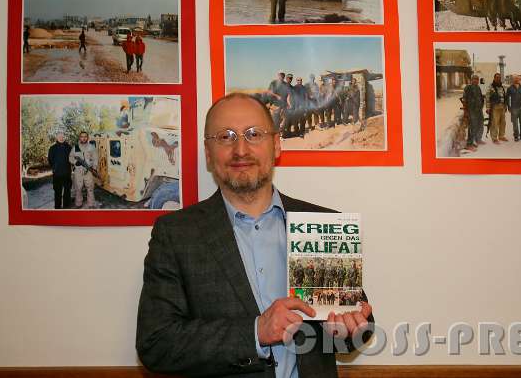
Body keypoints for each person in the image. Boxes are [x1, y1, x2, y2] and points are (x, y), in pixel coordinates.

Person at [136, 93, 373, 377]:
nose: (240, 149)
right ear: (208, 153)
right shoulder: (176, 234)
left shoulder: (321, 224)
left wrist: (347, 330)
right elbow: (156, 344)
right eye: (225, 137)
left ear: (275, 145)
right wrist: (255, 332)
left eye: (253, 134)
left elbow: (353, 329)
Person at [69, 131, 98, 208]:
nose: (84, 138)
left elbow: (95, 158)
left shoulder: (91, 147)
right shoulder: (75, 147)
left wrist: (94, 168)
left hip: (88, 171)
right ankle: (79, 203)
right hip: (78, 171)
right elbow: (70, 157)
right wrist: (75, 162)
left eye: (85, 136)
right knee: (78, 188)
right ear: (80, 138)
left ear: (87, 138)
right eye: (82, 136)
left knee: (90, 188)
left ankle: (91, 204)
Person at [47, 131, 72, 209]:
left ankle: (66, 207)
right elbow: (50, 160)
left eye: (62, 136)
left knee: (67, 191)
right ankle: (57, 208)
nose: (61, 138)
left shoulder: (69, 147)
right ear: (56, 137)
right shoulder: (52, 148)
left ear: (64, 137)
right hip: (57, 175)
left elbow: (73, 158)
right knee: (57, 192)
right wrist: (55, 168)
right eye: (59, 136)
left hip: (67, 174)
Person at [462, 74, 485, 151]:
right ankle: (469, 144)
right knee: (472, 126)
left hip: (478, 110)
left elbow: (481, 98)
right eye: (474, 79)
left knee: (480, 124)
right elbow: (464, 100)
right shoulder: (468, 88)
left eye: (477, 79)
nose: (475, 80)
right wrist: (466, 111)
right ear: (471, 80)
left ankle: (478, 139)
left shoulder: (478, 88)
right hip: (471, 110)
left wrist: (481, 105)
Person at [505, 75, 521, 142]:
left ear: (519, 80)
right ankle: (516, 136)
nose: (516, 80)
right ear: (513, 80)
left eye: (517, 78)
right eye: (515, 79)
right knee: (515, 123)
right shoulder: (510, 88)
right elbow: (507, 98)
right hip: (514, 108)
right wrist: (508, 107)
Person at [486, 73, 508, 144]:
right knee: (495, 123)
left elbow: (504, 96)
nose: (498, 79)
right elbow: (487, 97)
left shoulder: (501, 86)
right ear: (494, 78)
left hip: (502, 107)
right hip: (495, 107)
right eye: (497, 77)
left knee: (503, 122)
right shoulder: (491, 86)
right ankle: (494, 138)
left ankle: (501, 136)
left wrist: (505, 106)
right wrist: (488, 108)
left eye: (499, 77)